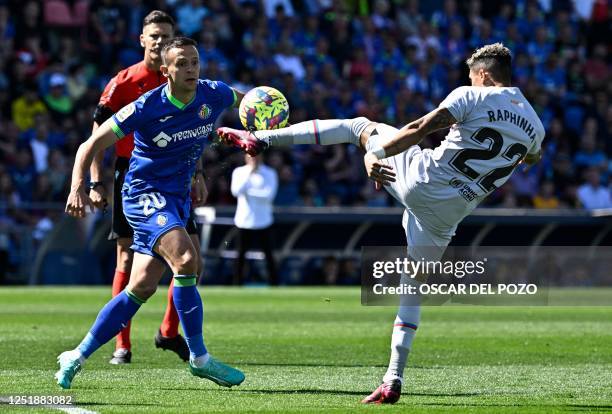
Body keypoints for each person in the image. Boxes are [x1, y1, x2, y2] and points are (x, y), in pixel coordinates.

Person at [218, 43, 545, 404]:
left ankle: (260, 138)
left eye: (470, 75)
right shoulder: (535, 125)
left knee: (358, 126)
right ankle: (393, 378)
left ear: (482, 74)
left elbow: (421, 126)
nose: (468, 80)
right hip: (452, 211)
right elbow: (532, 156)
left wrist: (376, 154)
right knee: (414, 285)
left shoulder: (472, 95)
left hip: (423, 180)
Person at [56, 37, 246, 389]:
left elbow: (247, 101)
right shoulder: (146, 106)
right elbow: (91, 144)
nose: (191, 69)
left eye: (195, 62)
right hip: (143, 195)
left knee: (141, 286)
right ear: (166, 71)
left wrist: (256, 118)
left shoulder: (214, 93)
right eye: (182, 64)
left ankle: (77, 354)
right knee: (187, 260)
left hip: (177, 197)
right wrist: (77, 187)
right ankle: (200, 357)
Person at [88, 10, 206, 365]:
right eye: (153, 35)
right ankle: (121, 345)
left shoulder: (183, 79)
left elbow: (192, 132)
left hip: (178, 174)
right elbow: (96, 137)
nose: (158, 41)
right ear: (142, 39)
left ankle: (169, 332)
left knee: (193, 261)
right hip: (135, 177)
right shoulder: (125, 82)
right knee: (127, 258)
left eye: (164, 35)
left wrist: (197, 172)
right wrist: (96, 181)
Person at [231, 154, 278, 285]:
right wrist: (249, 174)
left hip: (264, 221)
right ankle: (237, 284)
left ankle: (275, 284)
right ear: (246, 157)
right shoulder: (239, 172)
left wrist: (248, 193)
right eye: (251, 157)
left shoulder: (270, 173)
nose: (254, 159)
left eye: (256, 156)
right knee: (240, 256)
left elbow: (268, 196)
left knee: (269, 256)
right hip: (244, 220)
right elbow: (236, 191)